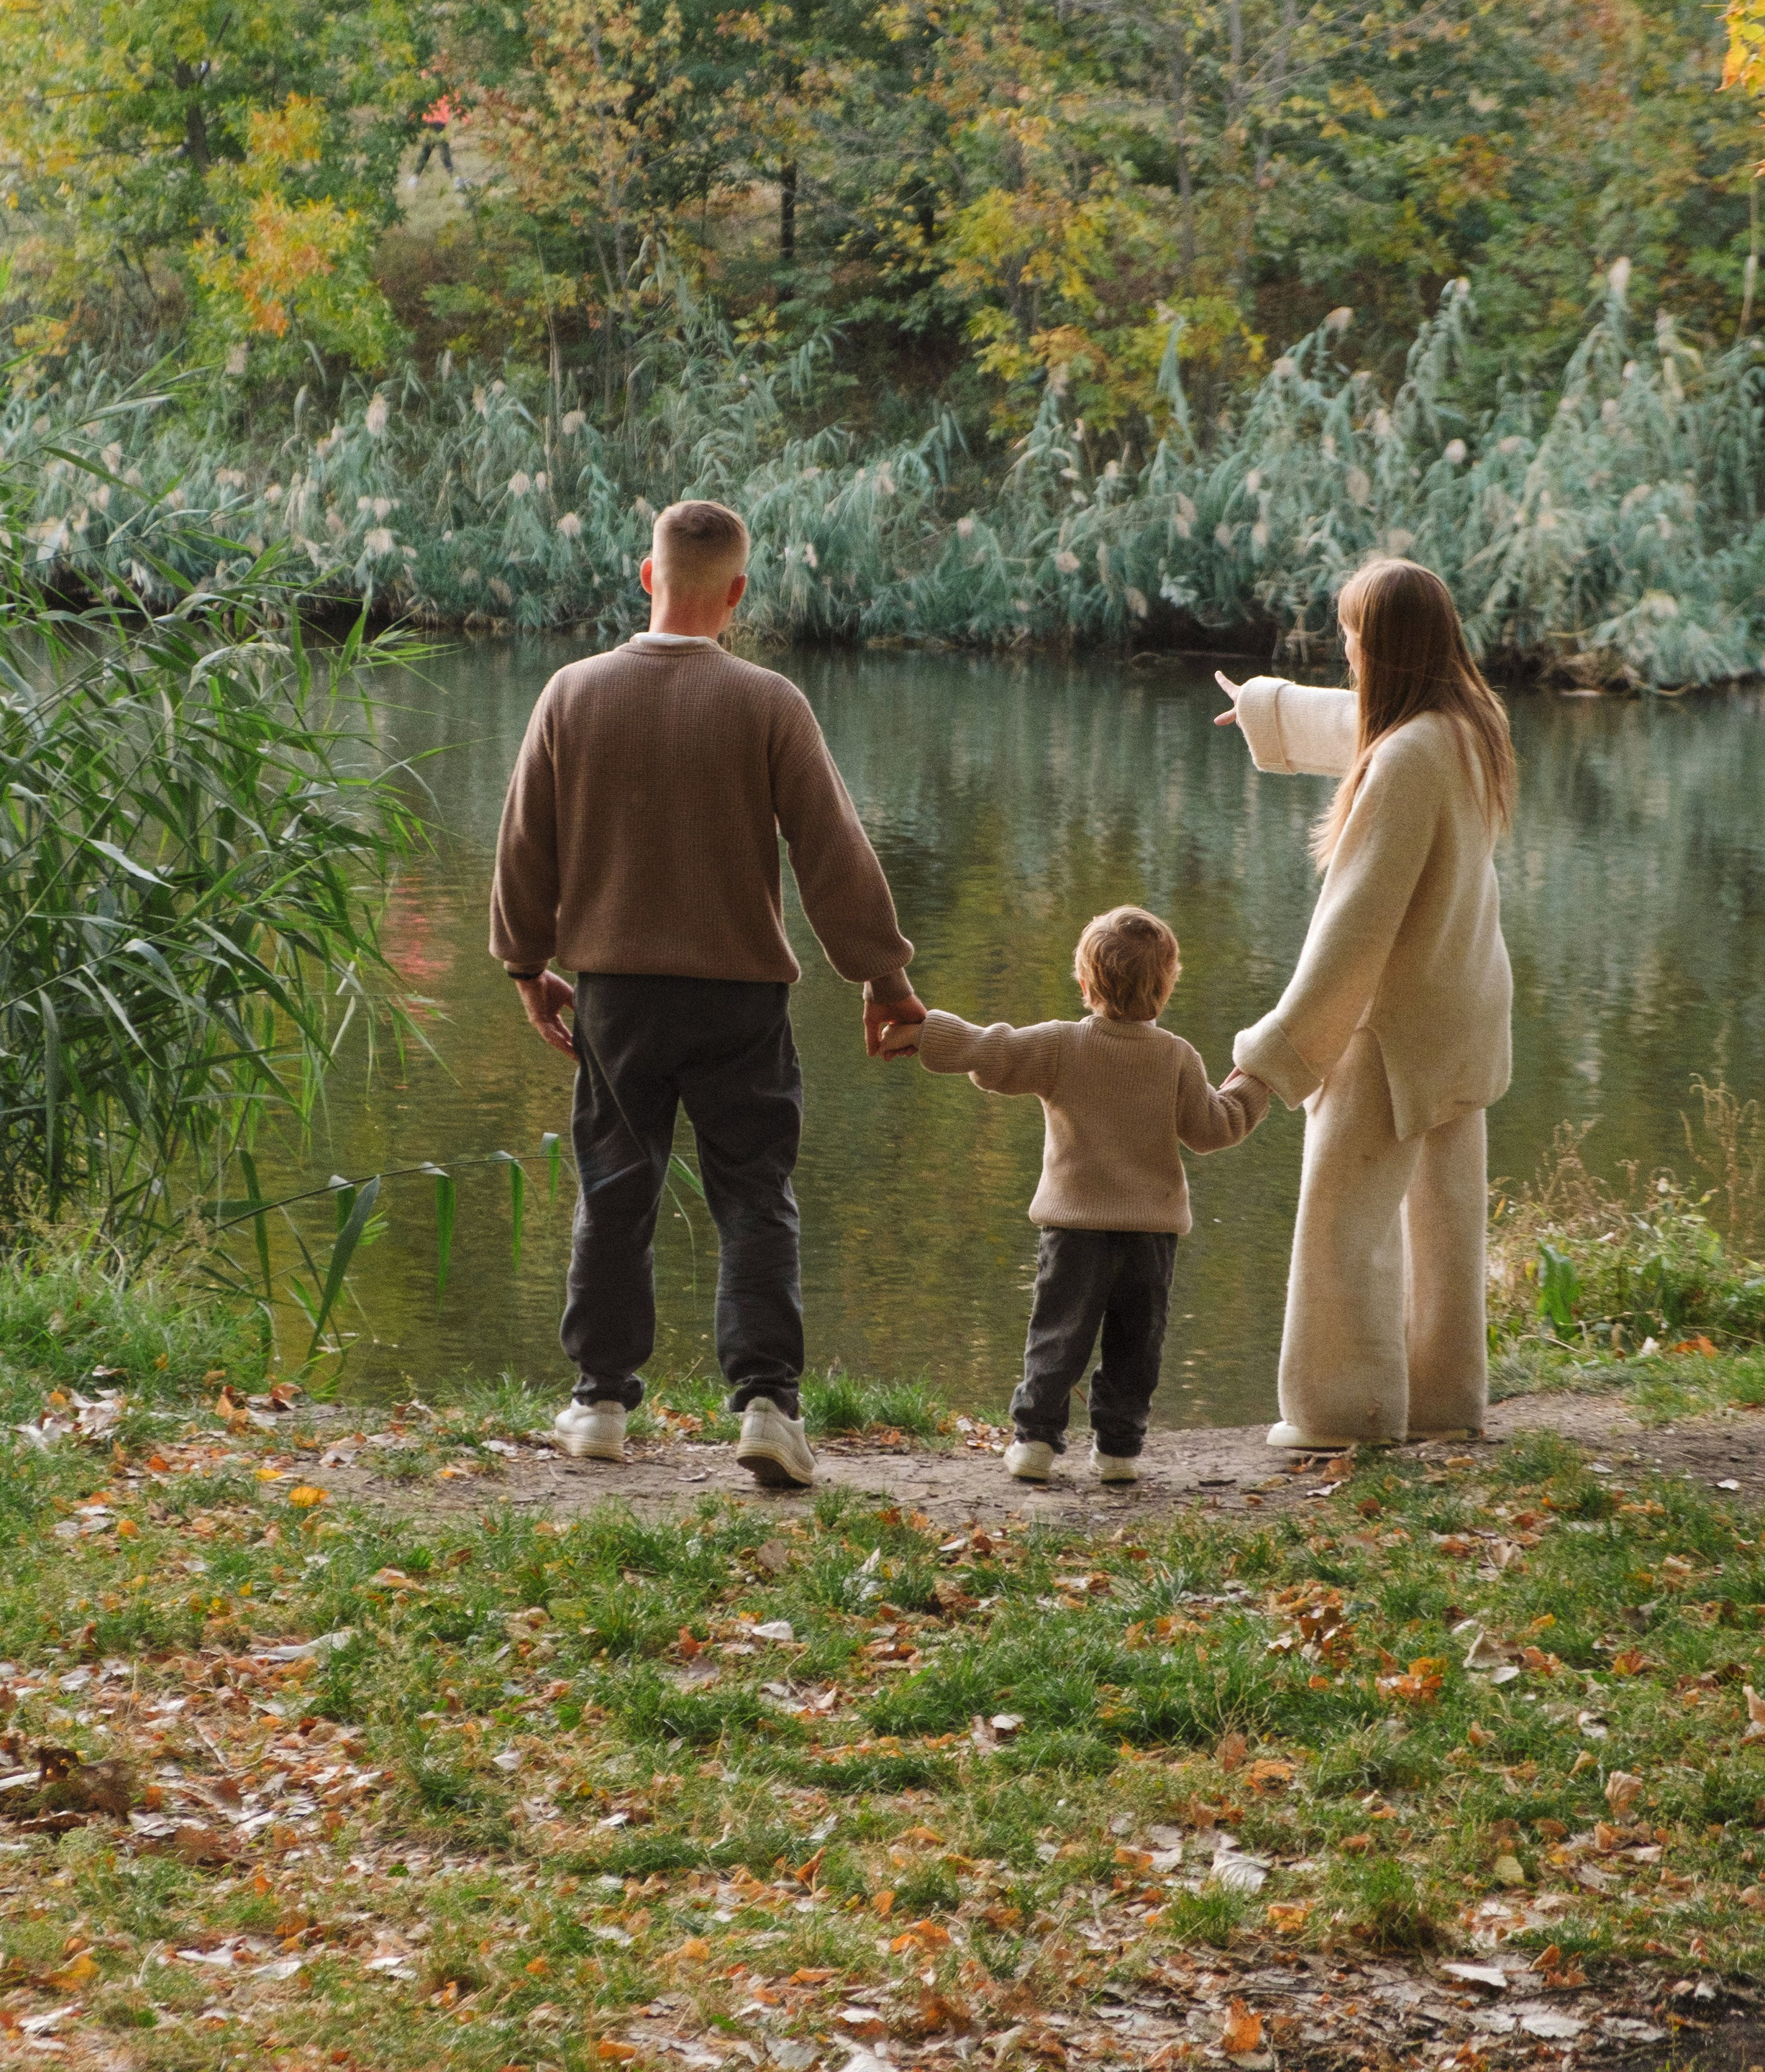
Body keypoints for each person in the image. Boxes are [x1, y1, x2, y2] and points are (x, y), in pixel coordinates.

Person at [489, 497, 923, 1489]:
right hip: (740, 1000)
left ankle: (599, 1403)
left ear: (647, 578)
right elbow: (832, 854)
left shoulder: (572, 692)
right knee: (755, 1198)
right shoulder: (770, 702)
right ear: (736, 594)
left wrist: (526, 964)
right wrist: (884, 976)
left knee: (614, 1193)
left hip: (617, 997)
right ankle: (768, 1404)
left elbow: (525, 843)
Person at [1214, 557, 1517, 1451]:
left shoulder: (1408, 758)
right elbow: (1366, 720)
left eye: (1351, 633)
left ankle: (1343, 1412)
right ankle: (1443, 1400)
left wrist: (1271, 1054)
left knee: (1344, 1218)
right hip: (1462, 1015)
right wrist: (1266, 706)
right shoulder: (1472, 724)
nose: (1343, 648)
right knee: (1444, 1221)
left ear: (1382, 644)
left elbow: (1354, 930)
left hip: (1393, 1032)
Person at [879, 906, 1268, 1484]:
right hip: (1150, 1236)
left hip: (1074, 1230)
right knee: (1138, 1342)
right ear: (1165, 988)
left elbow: (993, 1051)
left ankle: (1036, 1440)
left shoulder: (1063, 1044)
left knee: (1059, 1332)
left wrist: (923, 1030)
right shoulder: (1177, 1057)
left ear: (1085, 985)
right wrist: (1257, 1080)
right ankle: (1118, 1450)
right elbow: (1214, 1129)